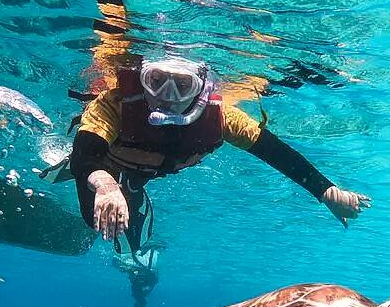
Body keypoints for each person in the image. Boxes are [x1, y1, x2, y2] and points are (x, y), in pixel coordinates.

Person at [60, 55, 370, 261]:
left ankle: (132, 190)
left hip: (147, 169)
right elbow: (86, 150)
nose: (167, 95)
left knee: (121, 199)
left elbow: (276, 153)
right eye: (156, 81)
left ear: (202, 90)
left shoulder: (222, 118)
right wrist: (103, 183)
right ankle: (117, 185)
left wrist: (325, 191)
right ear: (142, 79)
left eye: (183, 86)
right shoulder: (114, 104)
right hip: (107, 164)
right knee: (92, 220)